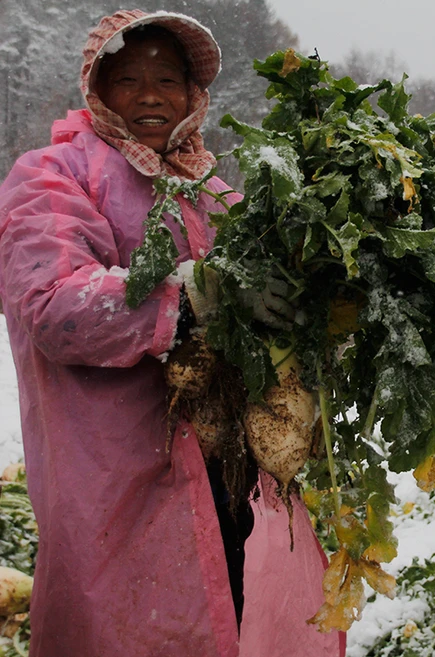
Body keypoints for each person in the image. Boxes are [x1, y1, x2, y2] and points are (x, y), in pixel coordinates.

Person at [0, 10, 343, 657]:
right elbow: (51, 305)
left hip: (224, 465)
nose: (151, 94)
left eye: (167, 78)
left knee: (228, 614)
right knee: (123, 626)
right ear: (96, 90)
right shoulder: (53, 175)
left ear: (194, 94)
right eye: (127, 78)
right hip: (113, 474)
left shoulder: (208, 190)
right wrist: (189, 294)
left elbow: (271, 286)